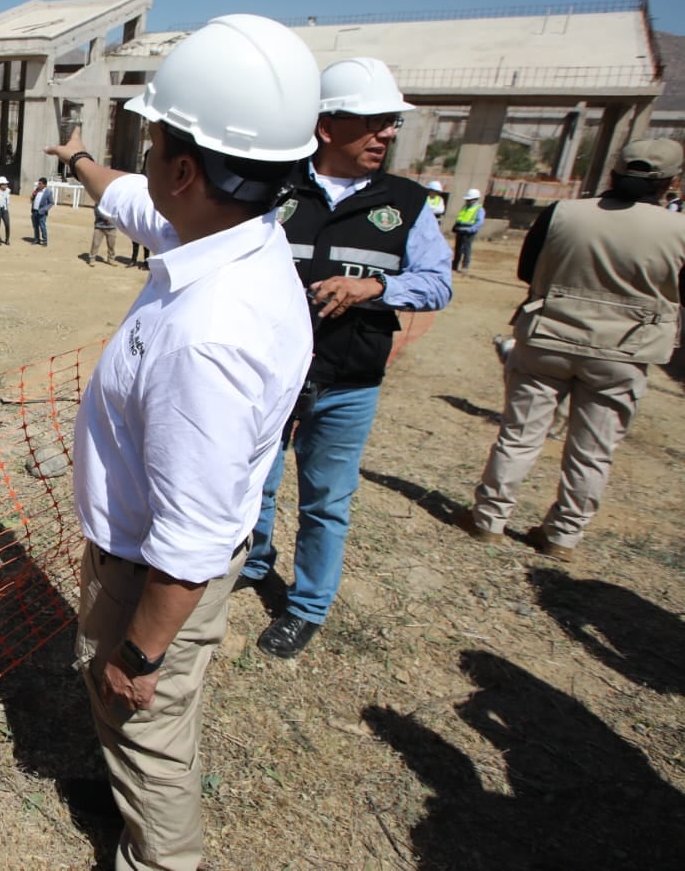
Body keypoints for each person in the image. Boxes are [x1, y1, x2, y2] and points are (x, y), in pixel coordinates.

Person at [44, 13, 317, 871]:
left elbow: (192, 531)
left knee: (145, 725)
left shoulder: (208, 333)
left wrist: (140, 651)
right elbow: (129, 197)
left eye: (156, 141)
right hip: (146, 561)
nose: (148, 157)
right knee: (139, 729)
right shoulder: (234, 235)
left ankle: (158, 853)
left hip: (153, 578)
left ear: (188, 169)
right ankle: (130, 802)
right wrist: (81, 159)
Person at [239, 56, 453, 659]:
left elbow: (438, 283)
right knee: (257, 481)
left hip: (348, 383)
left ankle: (306, 606)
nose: (386, 133)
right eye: (373, 121)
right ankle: (252, 567)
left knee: (326, 500)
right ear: (328, 125)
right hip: (271, 374)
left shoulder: (407, 204)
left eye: (391, 124)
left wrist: (377, 288)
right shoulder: (274, 187)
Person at [459, 139, 685, 561]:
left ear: (614, 173)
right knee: (593, 450)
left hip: (549, 338)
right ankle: (562, 535)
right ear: (671, 182)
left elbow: (528, 269)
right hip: (624, 351)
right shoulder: (679, 229)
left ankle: (488, 519)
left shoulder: (565, 212)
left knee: (520, 434)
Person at [452, 187, 484, 271]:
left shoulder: (479, 209)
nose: (467, 201)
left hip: (469, 232)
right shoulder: (465, 207)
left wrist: (471, 229)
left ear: (475, 199)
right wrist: (455, 226)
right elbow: (460, 218)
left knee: (466, 249)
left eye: (469, 200)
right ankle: (455, 265)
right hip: (460, 230)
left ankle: (465, 266)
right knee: (458, 248)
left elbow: (479, 222)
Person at [31, 176, 54, 245]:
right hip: (34, 211)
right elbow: (33, 199)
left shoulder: (48, 192)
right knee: (35, 226)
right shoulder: (36, 190)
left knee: (42, 226)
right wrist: (32, 197)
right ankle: (36, 239)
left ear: (45, 185)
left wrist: (45, 209)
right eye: (39, 183)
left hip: (42, 212)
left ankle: (44, 240)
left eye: (40, 184)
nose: (39, 185)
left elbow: (51, 202)